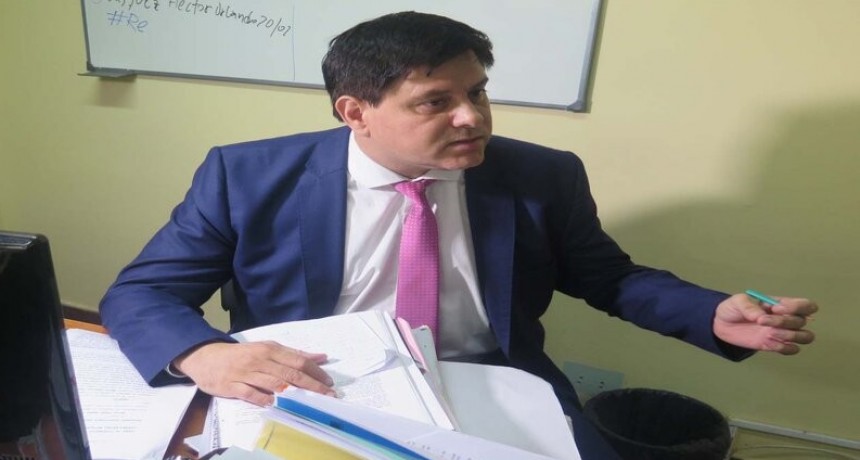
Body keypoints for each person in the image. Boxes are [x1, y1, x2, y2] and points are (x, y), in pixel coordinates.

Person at [99, 11, 816, 417]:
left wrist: (709, 312)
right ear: (355, 112)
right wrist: (207, 354)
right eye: (435, 102)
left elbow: (609, 277)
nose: (472, 117)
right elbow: (143, 293)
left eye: (477, 92)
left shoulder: (542, 175)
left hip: (490, 380)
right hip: (317, 383)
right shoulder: (249, 176)